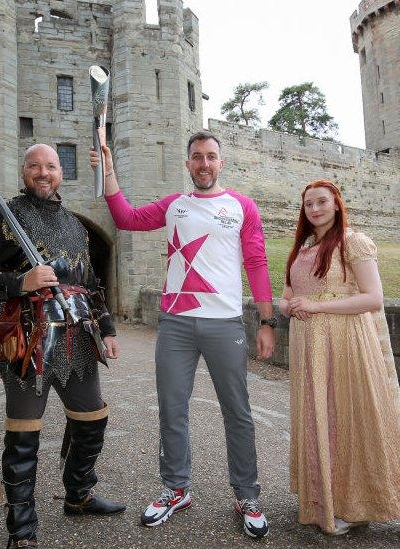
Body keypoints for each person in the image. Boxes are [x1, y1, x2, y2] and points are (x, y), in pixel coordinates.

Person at [90, 132, 276, 538]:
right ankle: (176, 489)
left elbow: (257, 262)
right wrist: (108, 169)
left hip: (225, 323)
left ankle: (246, 494)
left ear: (221, 163)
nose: (204, 164)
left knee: (238, 412)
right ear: (188, 163)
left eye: (211, 157)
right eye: (196, 157)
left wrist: (266, 321)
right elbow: (127, 219)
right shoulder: (175, 205)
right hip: (175, 324)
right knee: (173, 409)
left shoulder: (242, 207)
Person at [0, 144, 126, 549]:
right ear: (24, 171)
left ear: (60, 173)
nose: (43, 173)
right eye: (35, 166)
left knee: (92, 420)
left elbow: (91, 284)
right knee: (23, 434)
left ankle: (78, 494)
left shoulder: (76, 225)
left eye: (50, 166)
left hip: (77, 336)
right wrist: (20, 282)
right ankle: (22, 531)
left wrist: (108, 328)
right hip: (26, 339)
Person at [280, 180, 400, 549]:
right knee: (323, 421)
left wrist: (316, 306)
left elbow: (373, 298)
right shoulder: (303, 248)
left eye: (322, 201)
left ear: (337, 204)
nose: (315, 208)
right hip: (309, 346)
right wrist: (289, 305)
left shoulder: (353, 242)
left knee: (360, 418)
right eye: (308, 203)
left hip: (346, 343)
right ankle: (337, 503)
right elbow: (290, 292)